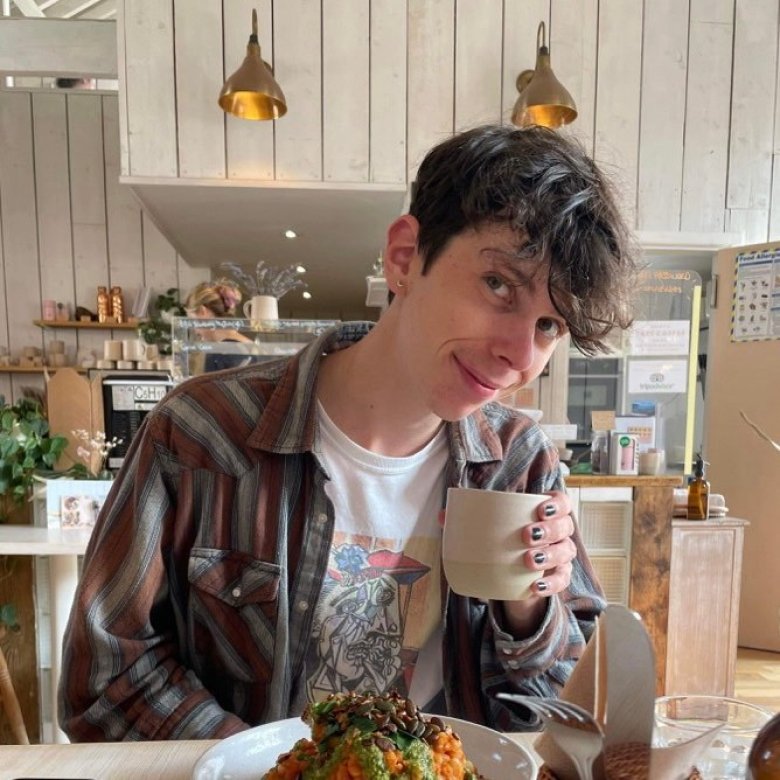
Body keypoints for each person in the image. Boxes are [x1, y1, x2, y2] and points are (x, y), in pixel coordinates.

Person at [59, 124, 637, 741]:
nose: (519, 356)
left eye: (549, 325)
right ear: (405, 258)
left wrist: (528, 612)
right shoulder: (201, 434)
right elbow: (105, 677)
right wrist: (268, 764)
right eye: (499, 286)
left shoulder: (517, 460)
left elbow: (562, 714)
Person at [184, 280, 255, 372]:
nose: (195, 330)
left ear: (203, 311)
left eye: (193, 321)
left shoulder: (217, 354)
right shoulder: (252, 347)